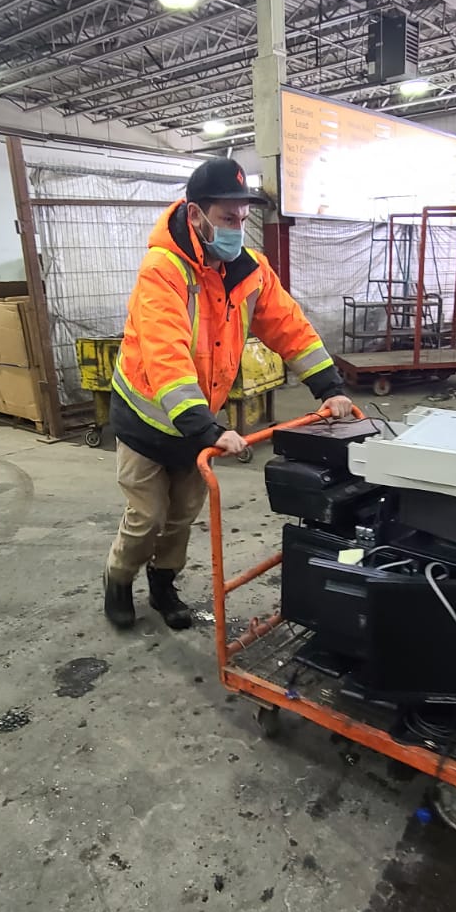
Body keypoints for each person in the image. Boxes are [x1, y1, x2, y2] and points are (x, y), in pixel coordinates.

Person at [104, 156, 353, 631]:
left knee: (182, 515)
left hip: (198, 420)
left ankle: (163, 586)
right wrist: (207, 428)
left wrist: (329, 388)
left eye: (242, 219)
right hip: (148, 418)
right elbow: (165, 353)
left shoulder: (250, 270)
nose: (237, 228)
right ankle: (118, 579)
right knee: (147, 516)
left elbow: (289, 327)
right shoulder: (164, 269)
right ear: (196, 214)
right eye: (226, 218)